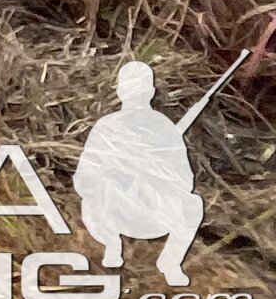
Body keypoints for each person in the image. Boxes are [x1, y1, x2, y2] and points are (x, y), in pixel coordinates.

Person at [74, 61, 203, 286]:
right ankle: (112, 245)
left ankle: (170, 262)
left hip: (152, 212)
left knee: (193, 205)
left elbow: (185, 181)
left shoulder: (164, 127)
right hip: (114, 211)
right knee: (102, 187)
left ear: (151, 93)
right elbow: (84, 178)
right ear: (121, 92)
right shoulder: (107, 127)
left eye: (139, 91)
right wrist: (115, 174)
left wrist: (156, 174)